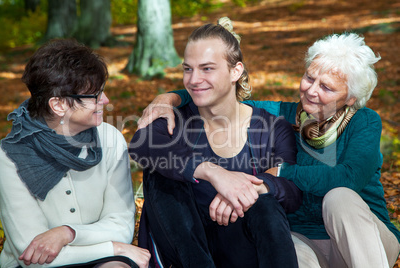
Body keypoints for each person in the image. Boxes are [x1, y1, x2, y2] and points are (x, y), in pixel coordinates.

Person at [137, 32, 400, 267]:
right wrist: (169, 98)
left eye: (327, 87)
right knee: (290, 252)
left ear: (350, 99)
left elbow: (349, 177)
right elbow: (221, 94)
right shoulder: (284, 114)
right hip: (304, 238)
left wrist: (279, 174)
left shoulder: (364, 121)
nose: (311, 90)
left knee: (338, 197)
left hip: (365, 239)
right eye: (309, 77)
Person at [129, 17, 301, 268]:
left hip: (241, 246)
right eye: (188, 69)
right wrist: (213, 172)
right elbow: (141, 144)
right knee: (161, 169)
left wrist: (246, 190)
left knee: (265, 203)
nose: (193, 79)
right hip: (185, 252)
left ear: (236, 71)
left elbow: (293, 191)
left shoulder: (272, 128)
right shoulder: (174, 121)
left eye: (207, 68)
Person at [0, 39, 150, 268]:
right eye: (95, 95)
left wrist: (68, 233)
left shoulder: (110, 139)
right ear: (58, 105)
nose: (106, 100)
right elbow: (31, 252)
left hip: (101, 260)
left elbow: (121, 224)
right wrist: (113, 248)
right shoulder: (10, 157)